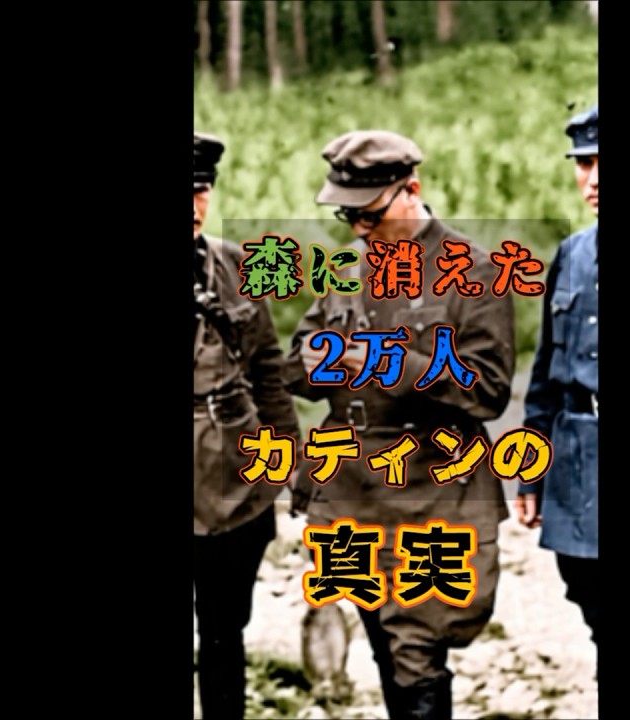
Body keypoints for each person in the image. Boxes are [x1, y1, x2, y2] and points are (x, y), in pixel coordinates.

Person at [285, 130, 515, 720]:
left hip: (432, 491)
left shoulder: (475, 270)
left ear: (411, 189)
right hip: (354, 488)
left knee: (418, 649)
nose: (360, 229)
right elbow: (298, 364)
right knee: (385, 644)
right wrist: (315, 362)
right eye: (347, 215)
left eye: (370, 214)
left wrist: (393, 364)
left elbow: (489, 390)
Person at [192, 131, 301, 719]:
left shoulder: (236, 265)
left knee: (224, 632)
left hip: (237, 484)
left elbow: (269, 375)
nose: (193, 206)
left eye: (200, 190)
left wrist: (291, 463)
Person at [514, 105, 600, 682]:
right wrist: (530, 469)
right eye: (584, 164)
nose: (592, 180)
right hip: (579, 459)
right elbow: (547, 372)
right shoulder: (572, 254)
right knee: (591, 599)